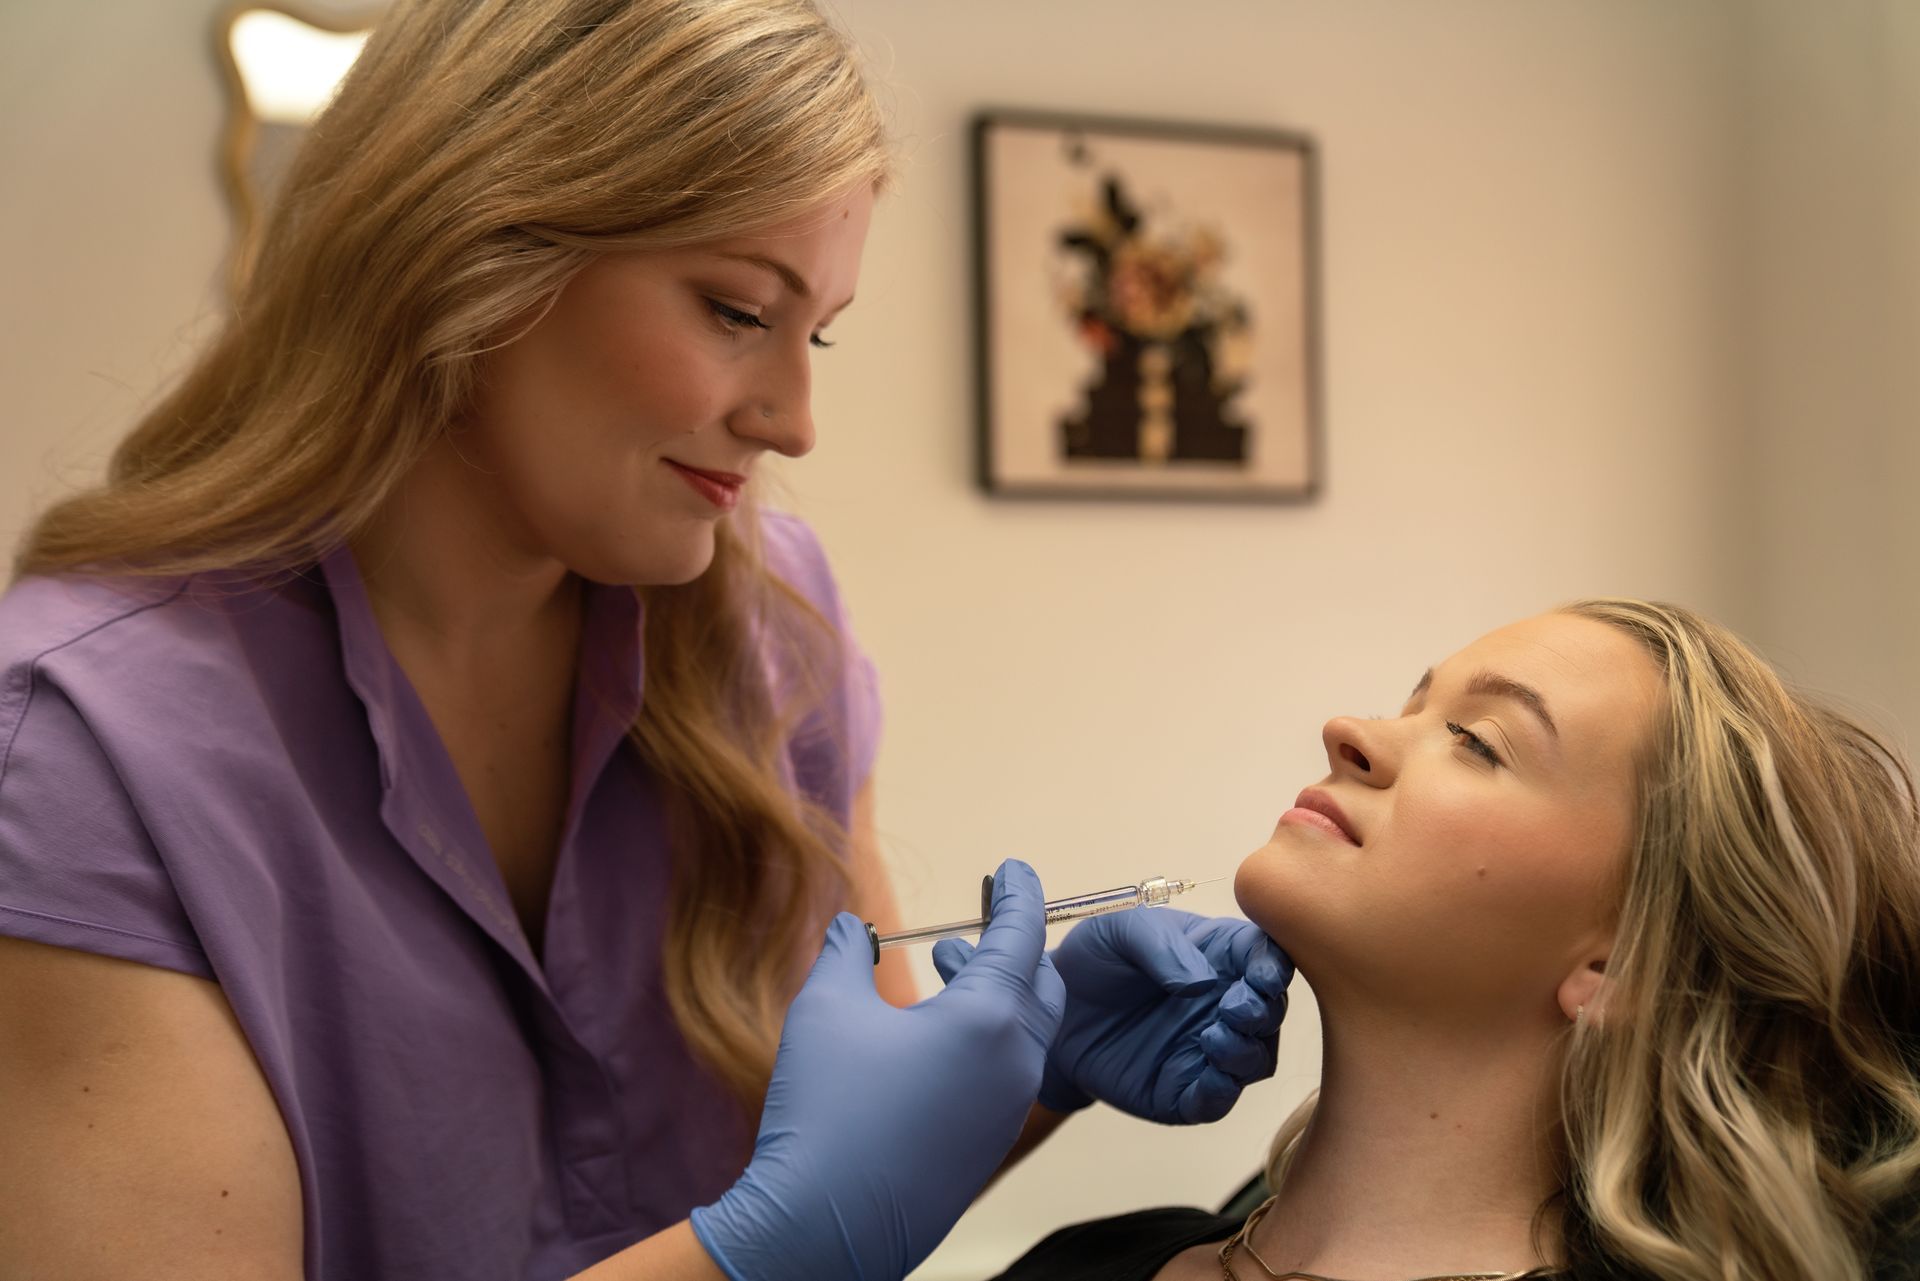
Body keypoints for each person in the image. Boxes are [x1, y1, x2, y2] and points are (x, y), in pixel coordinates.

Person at [0, 3, 1289, 1279]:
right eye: (737, 311)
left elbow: (852, 1181)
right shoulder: (90, 741)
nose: (795, 421)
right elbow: (804, 1226)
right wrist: (752, 1257)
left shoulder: (765, 624)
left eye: (818, 331)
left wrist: (1035, 1076)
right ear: (467, 251)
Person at [992, 599, 1920, 1281]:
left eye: (1476, 740)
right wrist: (1011, 1091)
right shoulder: (1096, 1260)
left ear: (1622, 963)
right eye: (1412, 704)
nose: (1349, 731)